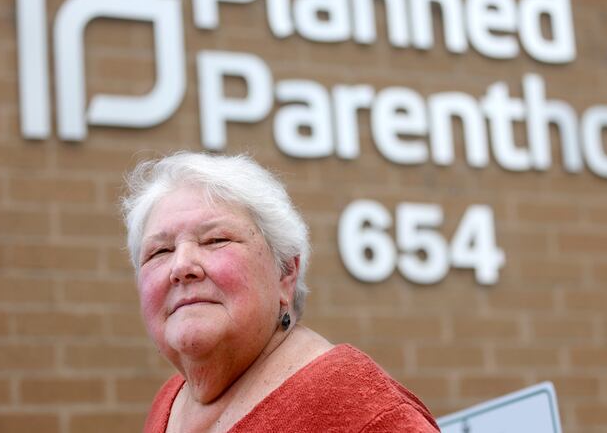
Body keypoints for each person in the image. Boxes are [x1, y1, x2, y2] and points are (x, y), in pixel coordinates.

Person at [121, 151, 439, 432]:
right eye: (160, 252)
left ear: (286, 271)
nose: (181, 266)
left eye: (215, 240)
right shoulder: (169, 400)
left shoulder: (363, 411)